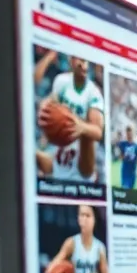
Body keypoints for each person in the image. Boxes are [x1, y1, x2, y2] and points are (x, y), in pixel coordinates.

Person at [35, 53, 105, 182]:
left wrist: (82, 127)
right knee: (35, 155)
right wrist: (45, 107)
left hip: (85, 156)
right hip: (64, 147)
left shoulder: (94, 93)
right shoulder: (62, 82)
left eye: (84, 61)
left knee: (86, 140)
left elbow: (98, 132)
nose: (82, 64)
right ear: (70, 61)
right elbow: (50, 102)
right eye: (78, 60)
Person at [48, 204, 108, 273]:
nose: (84, 219)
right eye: (81, 215)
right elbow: (52, 266)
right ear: (78, 219)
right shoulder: (71, 242)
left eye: (88, 215)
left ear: (94, 219)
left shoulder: (99, 247)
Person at [116, 125, 137, 189]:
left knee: (131, 191)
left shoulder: (136, 146)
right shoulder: (123, 144)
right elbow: (120, 157)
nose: (129, 135)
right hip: (125, 171)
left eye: (130, 133)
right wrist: (124, 157)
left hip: (133, 173)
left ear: (133, 133)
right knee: (125, 188)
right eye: (127, 133)